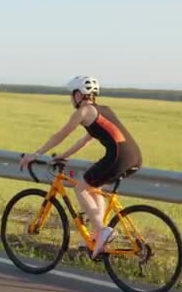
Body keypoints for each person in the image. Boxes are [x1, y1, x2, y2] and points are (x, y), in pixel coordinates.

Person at [19, 76, 142, 258]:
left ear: (79, 94)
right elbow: (85, 140)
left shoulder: (83, 112)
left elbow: (60, 135)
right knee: (93, 187)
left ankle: (102, 231)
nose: (71, 98)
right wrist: (64, 155)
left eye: (72, 94)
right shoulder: (103, 110)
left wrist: (36, 154)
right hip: (134, 157)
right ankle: (99, 234)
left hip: (118, 157)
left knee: (80, 188)